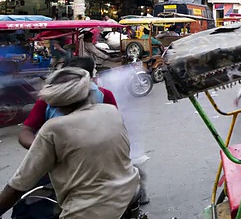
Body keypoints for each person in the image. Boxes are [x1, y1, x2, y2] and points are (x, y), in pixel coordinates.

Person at [0, 68, 140, 218]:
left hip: (88, 211)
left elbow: (17, 186)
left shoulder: (53, 128)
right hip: (128, 191)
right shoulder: (110, 111)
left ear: (54, 100)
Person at [19, 56, 118, 150]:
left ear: (89, 79)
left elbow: (116, 128)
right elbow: (27, 130)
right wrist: (40, 148)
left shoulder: (104, 96)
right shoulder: (47, 100)